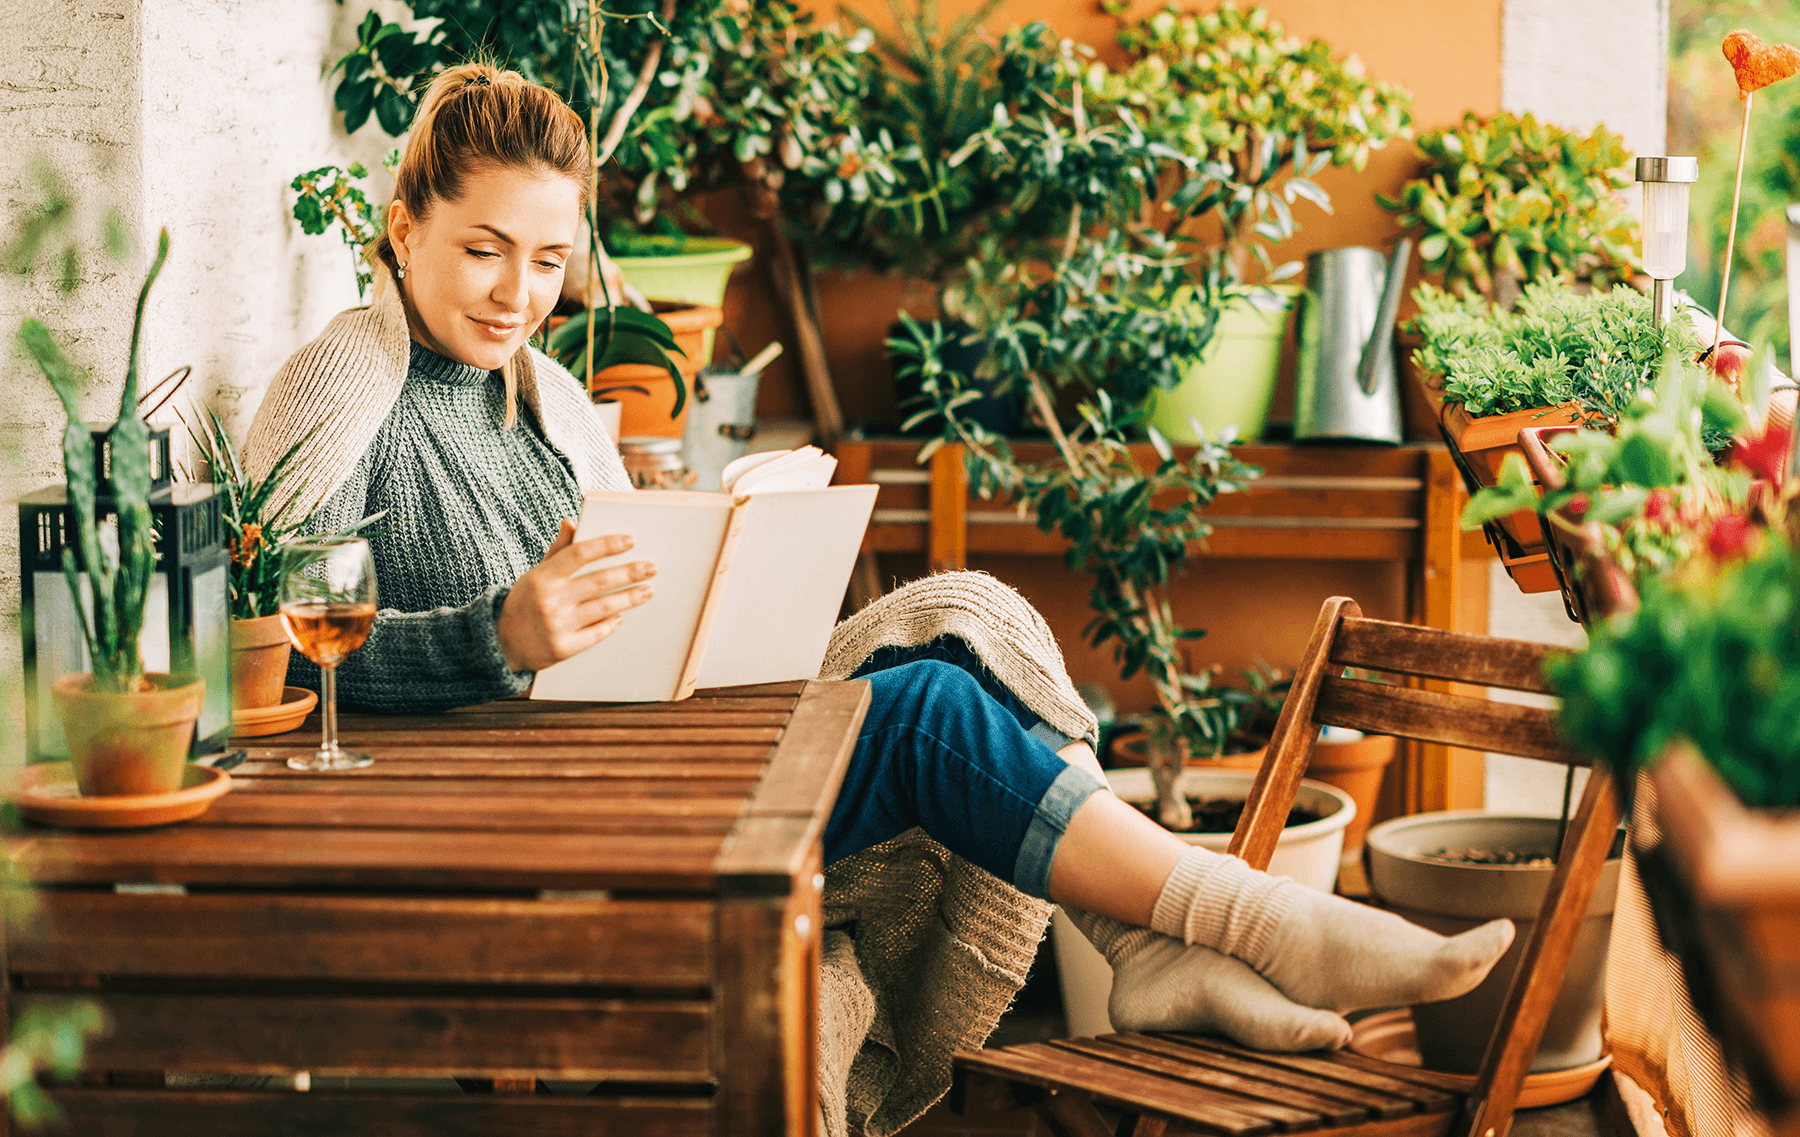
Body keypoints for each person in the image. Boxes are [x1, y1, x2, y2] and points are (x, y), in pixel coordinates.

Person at [242, 64, 1513, 1134]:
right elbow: (272, 666)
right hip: (543, 814)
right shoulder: (343, 382)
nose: (517, 294)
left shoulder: (547, 400)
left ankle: (1151, 950)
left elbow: (617, 609)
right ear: (402, 227)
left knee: (962, 634)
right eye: (482, 250)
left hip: (634, 754)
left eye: (547, 262)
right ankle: (1248, 921)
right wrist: (494, 639)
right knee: (916, 718)